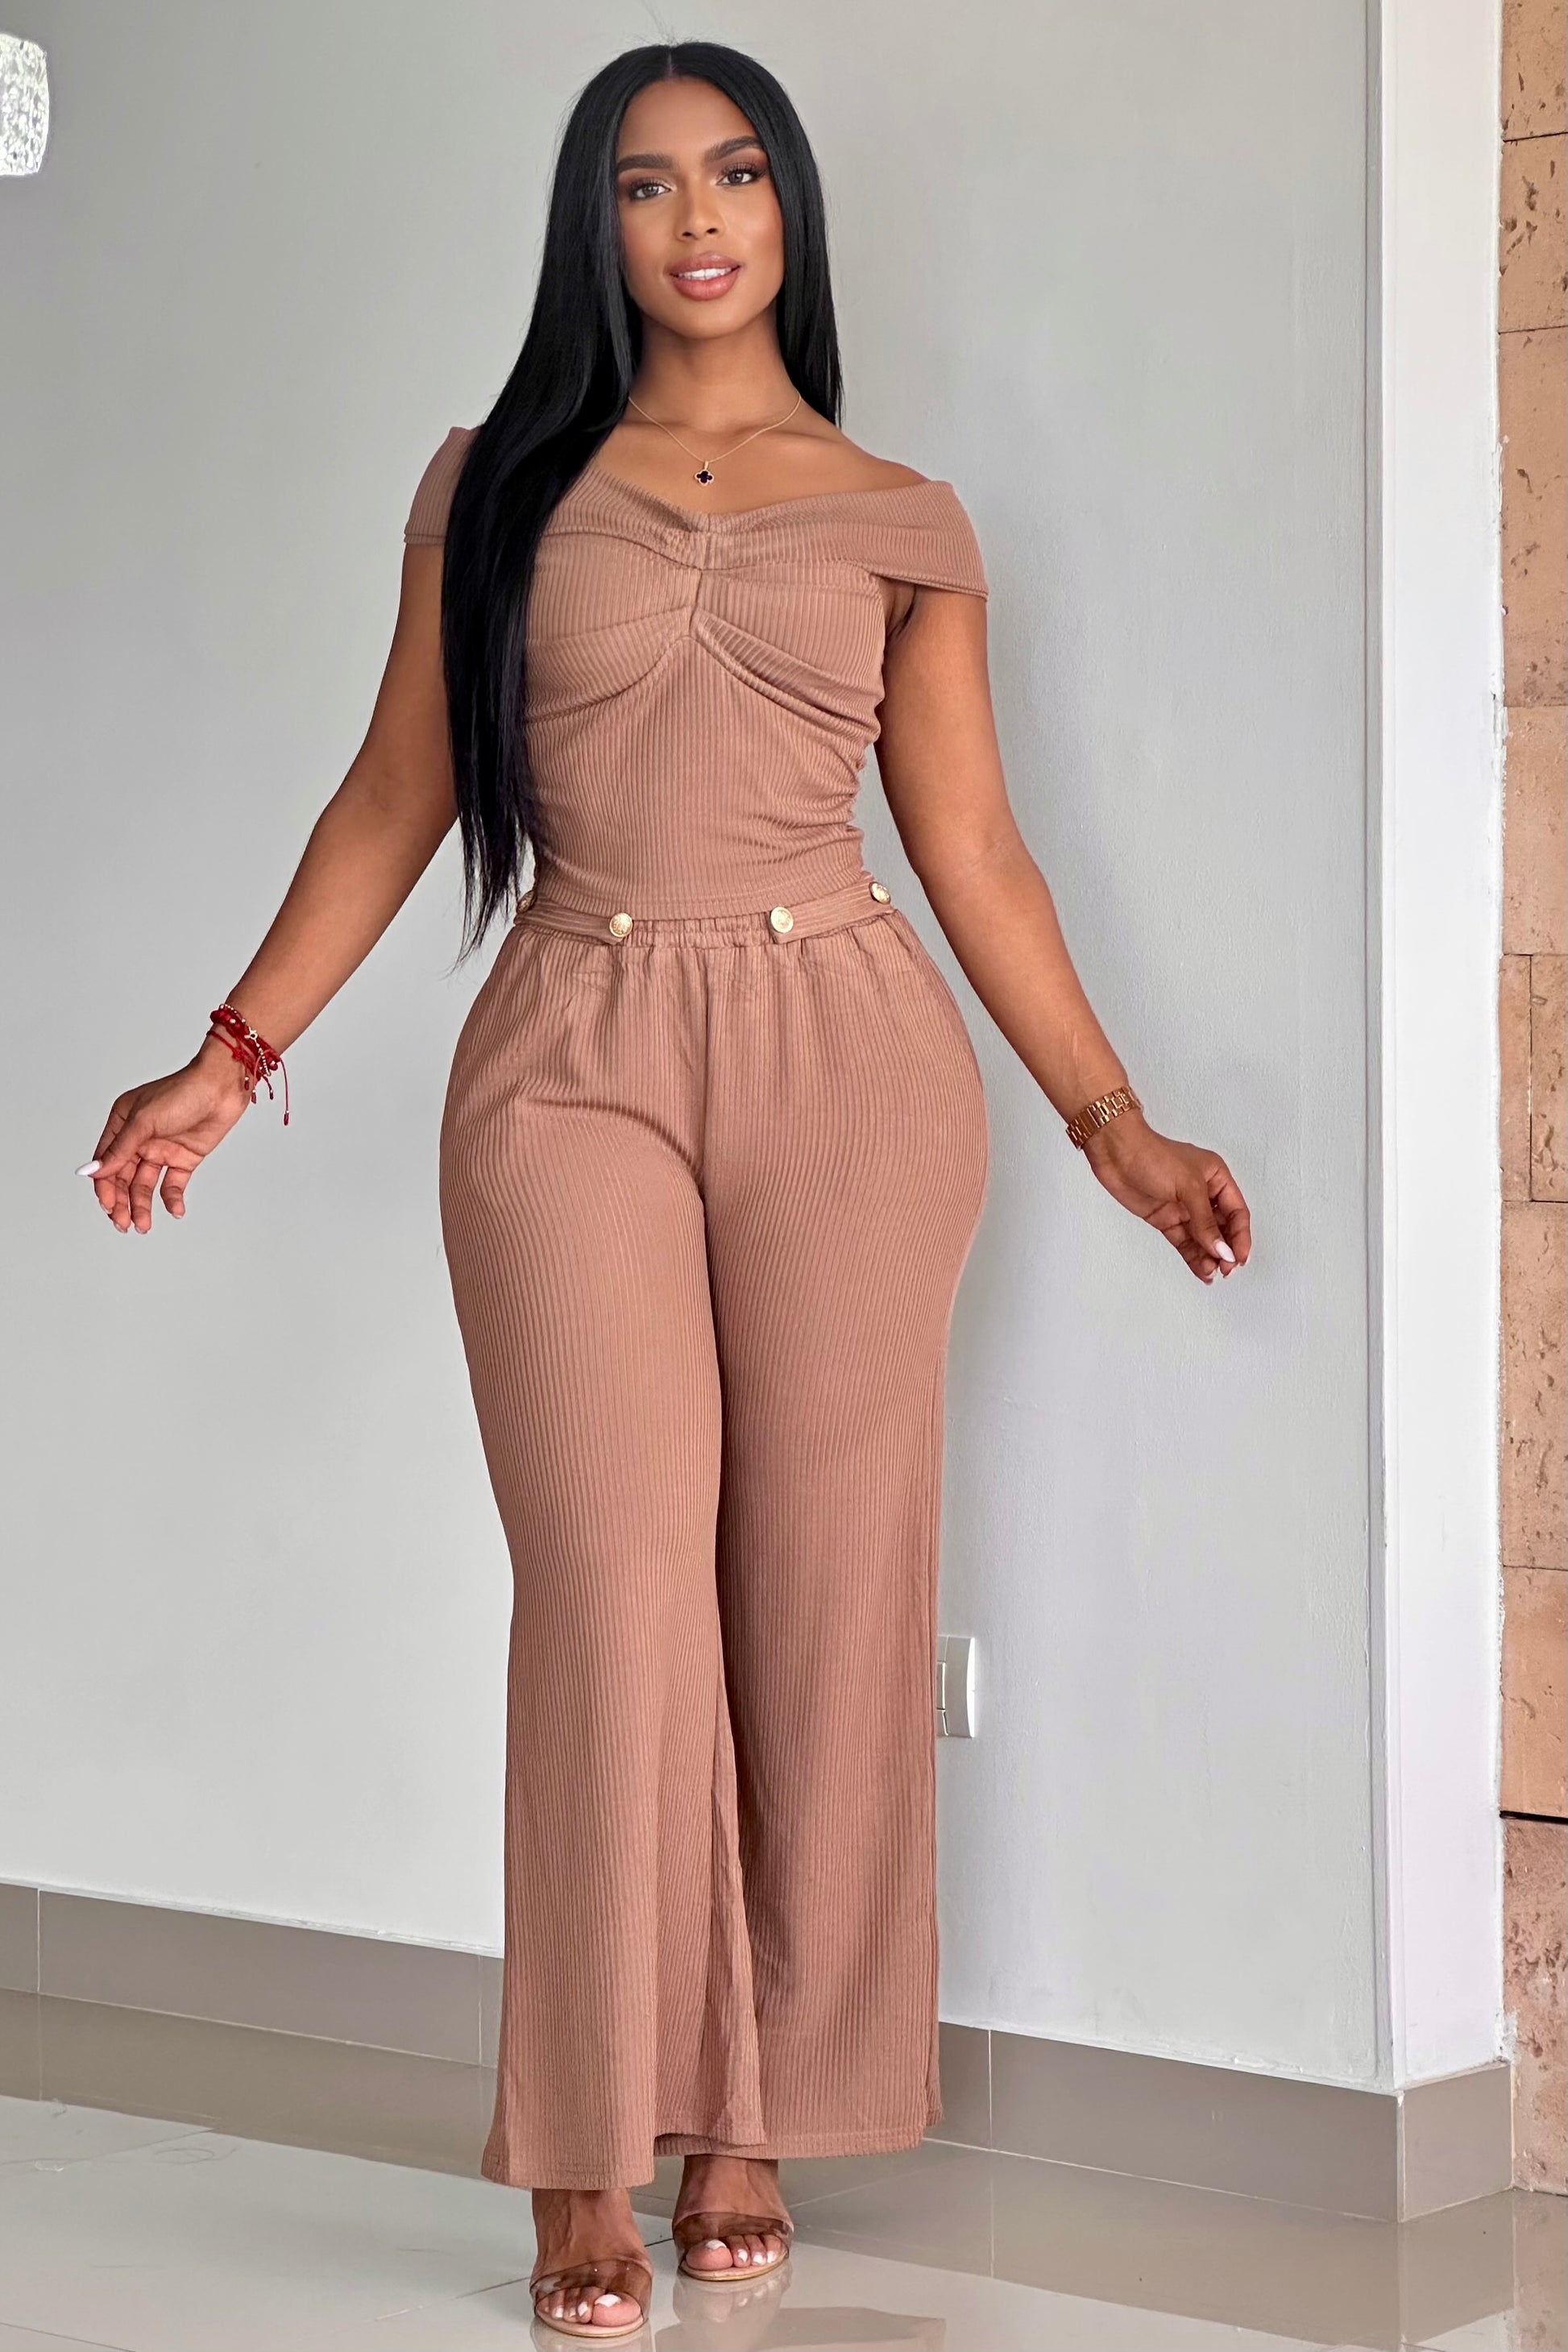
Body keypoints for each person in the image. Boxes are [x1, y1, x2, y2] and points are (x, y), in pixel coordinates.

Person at [80, 40, 1251, 2342]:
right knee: (611, 1600)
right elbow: (395, 794)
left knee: (820, 1605)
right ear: (592, 227)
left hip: (852, 1064)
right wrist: (229, 1060)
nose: (695, 217)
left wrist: (1114, 1124)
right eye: (642, 184)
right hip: (571, 1052)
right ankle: (582, 2149)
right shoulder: (499, 482)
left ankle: (749, 2121)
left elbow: (974, 848)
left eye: (732, 173)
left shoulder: (903, 515)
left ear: (789, 208)